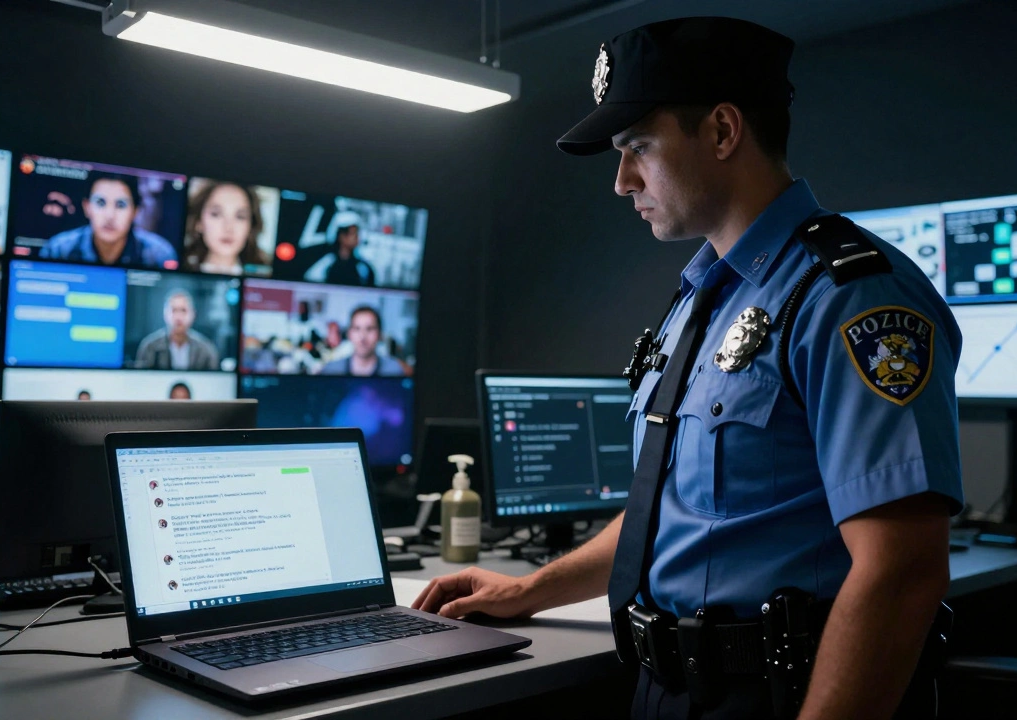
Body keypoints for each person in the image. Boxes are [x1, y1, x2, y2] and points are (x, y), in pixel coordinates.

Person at [413, 18, 963, 720]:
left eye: (638, 147)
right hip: (667, 688)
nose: (621, 181)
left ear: (724, 131)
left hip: (783, 694)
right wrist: (528, 591)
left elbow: (903, 571)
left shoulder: (850, 295)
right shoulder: (704, 299)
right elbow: (669, 513)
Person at [39, 173, 178, 269]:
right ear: (87, 207)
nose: (110, 215)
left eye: (121, 205)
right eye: (100, 203)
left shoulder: (160, 254)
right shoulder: (57, 249)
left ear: (135, 212)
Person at [183, 181, 268, 275]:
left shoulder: (264, 274)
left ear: (250, 226)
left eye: (240, 216)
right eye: (216, 214)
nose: (228, 228)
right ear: (198, 223)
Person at [134, 290, 220, 370]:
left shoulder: (206, 349)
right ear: (165, 314)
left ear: (193, 314)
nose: (178, 317)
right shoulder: (150, 347)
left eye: (183, 310)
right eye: (174, 310)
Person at [318, 306, 404, 377]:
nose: (363, 337)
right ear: (349, 334)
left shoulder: (394, 370)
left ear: (379, 335)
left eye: (370, 329)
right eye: (357, 329)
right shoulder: (332, 369)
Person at [304, 211, 376, 286]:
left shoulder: (363, 267)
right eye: (352, 233)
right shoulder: (326, 264)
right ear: (341, 236)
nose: (357, 237)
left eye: (357, 233)